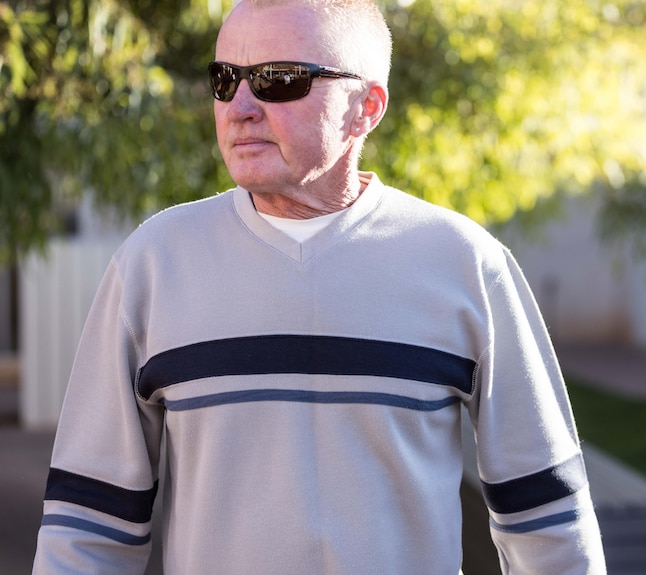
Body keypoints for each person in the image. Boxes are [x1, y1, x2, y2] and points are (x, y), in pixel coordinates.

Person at [32, 0, 606, 573]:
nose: (241, 107)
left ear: (367, 108)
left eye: (278, 80)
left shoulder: (466, 264)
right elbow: (87, 528)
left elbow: (549, 526)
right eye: (225, 79)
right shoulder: (153, 264)